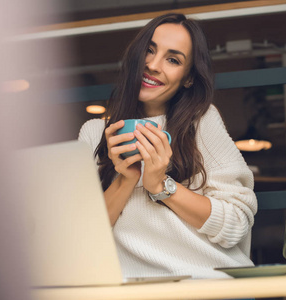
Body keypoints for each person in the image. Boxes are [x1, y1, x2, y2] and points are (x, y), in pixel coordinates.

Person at [78, 13, 257, 279]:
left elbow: (236, 224)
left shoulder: (201, 122)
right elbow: (85, 237)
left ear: (188, 78)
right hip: (133, 291)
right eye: (149, 51)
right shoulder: (95, 133)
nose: (152, 64)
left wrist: (161, 186)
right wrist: (126, 179)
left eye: (173, 60)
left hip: (207, 286)